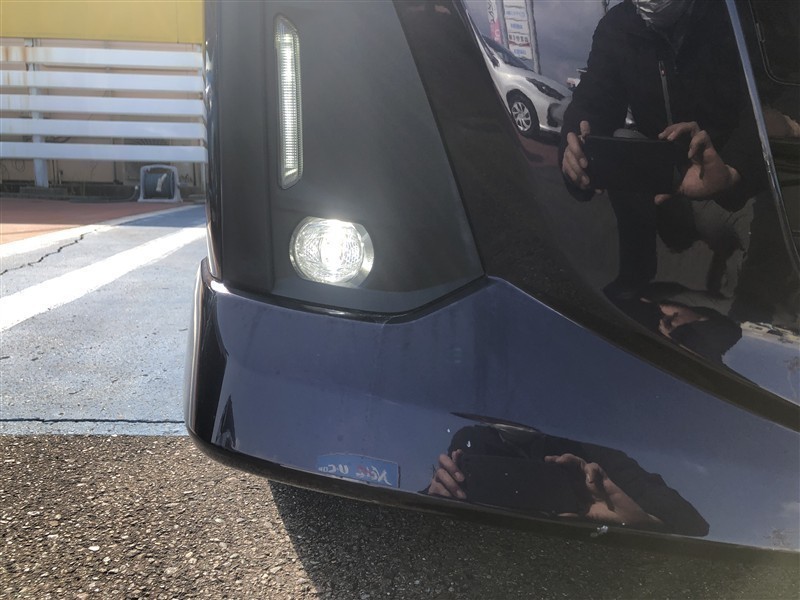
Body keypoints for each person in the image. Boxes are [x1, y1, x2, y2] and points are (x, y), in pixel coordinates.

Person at [559, 0, 765, 296]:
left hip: (727, 186)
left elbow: (770, 103)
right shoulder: (618, 26)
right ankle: (635, 278)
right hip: (661, 184)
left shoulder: (738, 13)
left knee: (763, 267)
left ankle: (742, 302)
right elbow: (593, 102)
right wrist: (573, 150)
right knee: (622, 140)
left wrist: (733, 171)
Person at [426, 424, 710, 537]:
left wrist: (642, 523)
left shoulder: (596, 456)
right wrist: (435, 496)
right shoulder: (471, 441)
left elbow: (694, 524)